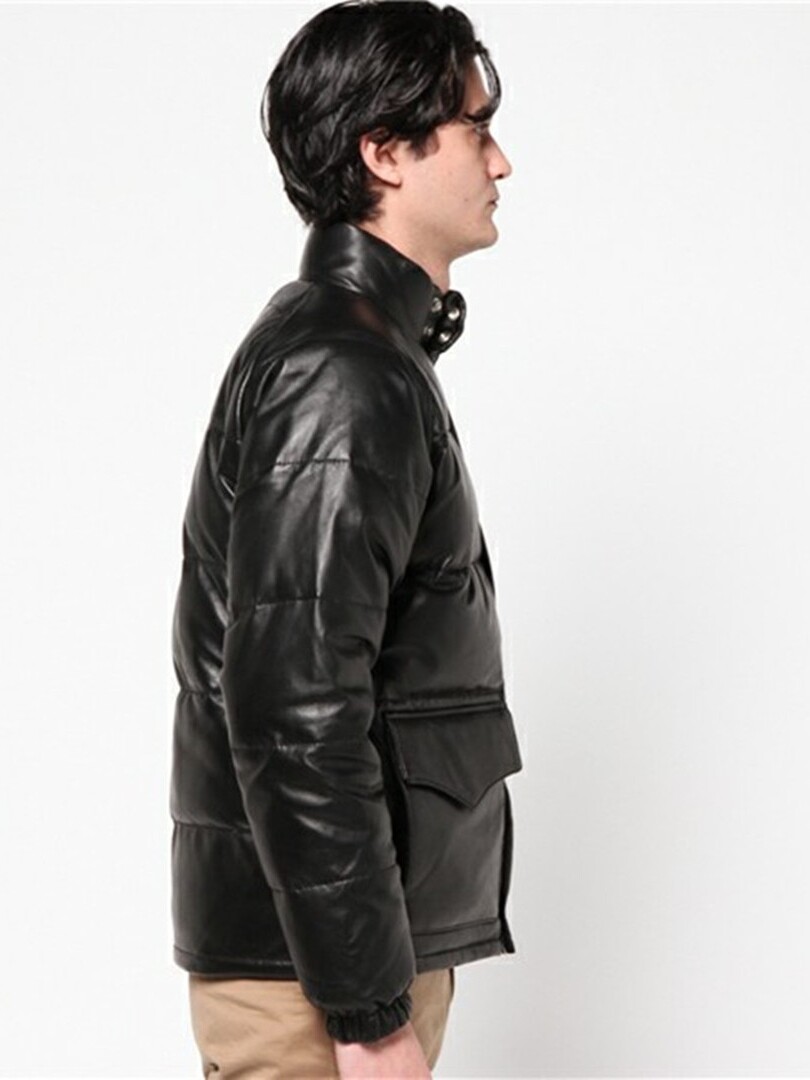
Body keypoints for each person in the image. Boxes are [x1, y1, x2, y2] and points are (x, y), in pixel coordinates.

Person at [169, 2, 523, 1076]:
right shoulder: (342, 371)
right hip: (317, 987)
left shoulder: (359, 351)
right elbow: (299, 709)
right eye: (474, 127)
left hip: (335, 959)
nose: (501, 161)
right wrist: (368, 1012)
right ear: (384, 153)